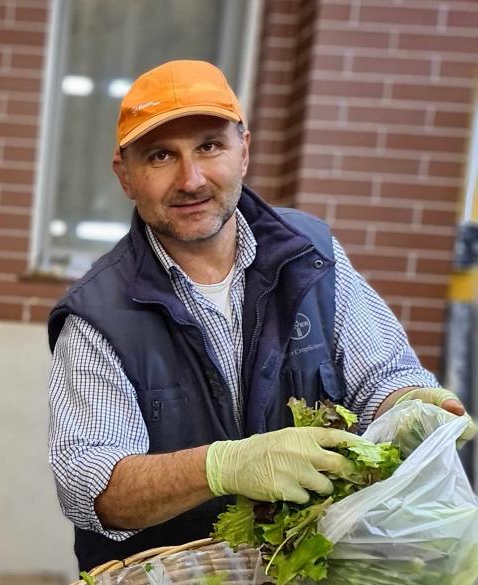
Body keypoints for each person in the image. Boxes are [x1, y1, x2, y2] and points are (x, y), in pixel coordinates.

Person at [46, 60, 477, 571]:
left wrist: (410, 407)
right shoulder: (98, 315)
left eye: (210, 146)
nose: (191, 179)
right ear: (125, 175)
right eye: (161, 156)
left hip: (317, 570)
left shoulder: (313, 256)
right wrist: (221, 466)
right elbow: (92, 489)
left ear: (243, 151)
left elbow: (382, 378)